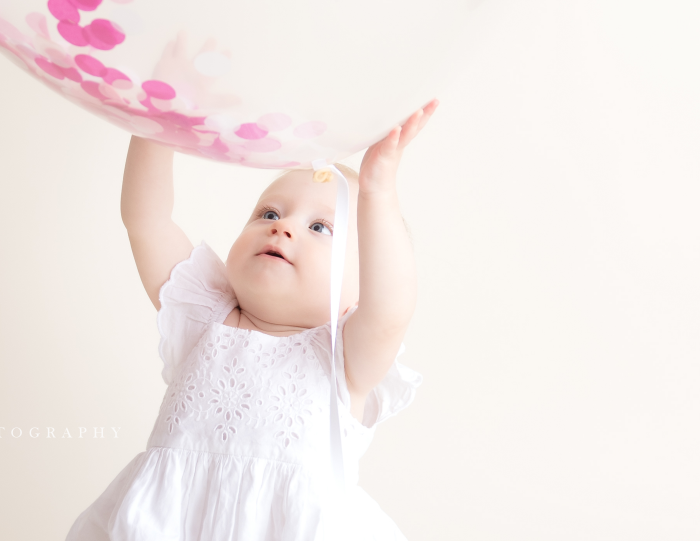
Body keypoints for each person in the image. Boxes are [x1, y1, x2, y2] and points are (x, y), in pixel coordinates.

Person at [65, 88, 437, 540]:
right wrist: (156, 121)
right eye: (268, 212)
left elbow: (391, 307)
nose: (282, 227)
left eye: (320, 227)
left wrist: (377, 192)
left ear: (358, 289)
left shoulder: (346, 358)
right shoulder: (205, 317)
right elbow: (147, 220)